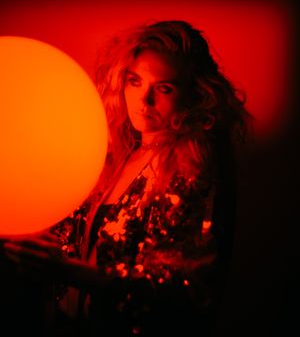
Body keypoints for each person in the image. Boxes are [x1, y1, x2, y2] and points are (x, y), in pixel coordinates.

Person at [2, 20, 252, 336]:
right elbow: (77, 243)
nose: (143, 100)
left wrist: (68, 271)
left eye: (164, 88)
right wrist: (34, 243)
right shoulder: (112, 156)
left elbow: (183, 290)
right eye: (135, 81)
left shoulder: (195, 169)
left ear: (195, 94)